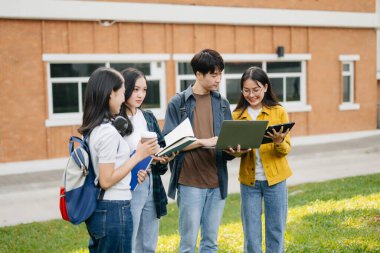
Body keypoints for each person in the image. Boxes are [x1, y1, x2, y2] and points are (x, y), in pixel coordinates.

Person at [78, 67, 158, 253]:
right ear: (109, 95)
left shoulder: (95, 127)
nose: (124, 98)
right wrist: (138, 155)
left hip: (102, 208)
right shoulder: (107, 132)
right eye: (122, 93)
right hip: (114, 209)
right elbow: (106, 180)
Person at [163, 48, 234, 253]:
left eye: (220, 73)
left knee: (210, 243)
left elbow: (225, 144)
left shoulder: (222, 104)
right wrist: (206, 142)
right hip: (190, 182)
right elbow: (172, 142)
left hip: (217, 182)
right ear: (198, 74)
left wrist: (236, 149)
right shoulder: (179, 103)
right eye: (213, 74)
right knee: (188, 245)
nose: (218, 79)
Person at [229, 66, 293, 253]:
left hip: (276, 180)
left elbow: (285, 150)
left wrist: (279, 142)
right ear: (241, 90)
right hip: (250, 182)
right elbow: (234, 152)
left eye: (255, 90)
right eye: (246, 90)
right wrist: (237, 151)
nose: (251, 95)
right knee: (251, 233)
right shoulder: (237, 116)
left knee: (275, 230)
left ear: (265, 87)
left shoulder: (279, 111)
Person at [119, 67, 175, 253]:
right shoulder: (115, 121)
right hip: (130, 185)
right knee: (130, 241)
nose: (140, 94)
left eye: (144, 90)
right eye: (135, 89)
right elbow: (113, 159)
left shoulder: (148, 117)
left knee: (149, 243)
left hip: (152, 184)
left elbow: (160, 149)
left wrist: (164, 157)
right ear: (124, 88)